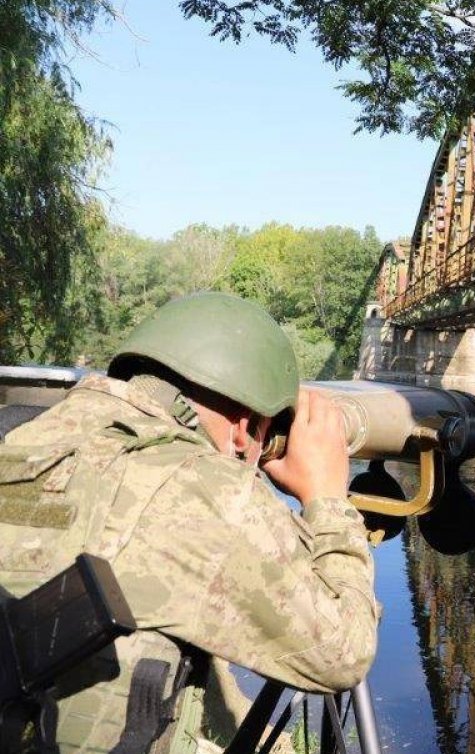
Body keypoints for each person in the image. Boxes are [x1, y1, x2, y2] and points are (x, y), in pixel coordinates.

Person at [0, 292, 380, 753]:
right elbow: (343, 654)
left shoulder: (23, 431)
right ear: (244, 430)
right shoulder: (207, 490)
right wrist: (327, 499)